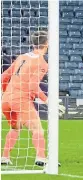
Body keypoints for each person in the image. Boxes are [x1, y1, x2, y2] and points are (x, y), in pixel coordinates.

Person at [1, 31, 63, 166]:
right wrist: (48, 101)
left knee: (16, 128)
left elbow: (4, 77)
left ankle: (4, 157)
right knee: (37, 129)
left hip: (6, 100)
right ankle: (41, 157)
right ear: (47, 44)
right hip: (21, 99)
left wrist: (7, 94)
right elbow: (33, 87)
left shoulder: (22, 57)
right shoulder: (41, 63)